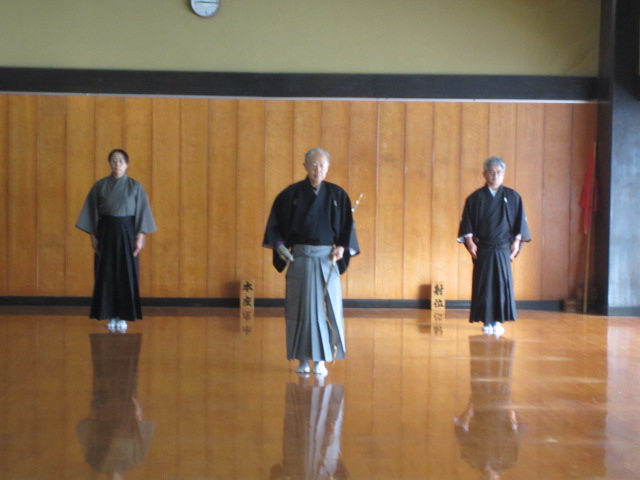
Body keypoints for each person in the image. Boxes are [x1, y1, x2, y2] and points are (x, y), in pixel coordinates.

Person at [263, 148, 360, 375]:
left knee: (328, 309)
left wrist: (342, 248)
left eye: (322, 165)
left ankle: (321, 360)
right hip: (300, 259)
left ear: (328, 168)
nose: (318, 170)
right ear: (305, 166)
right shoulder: (290, 195)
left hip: (327, 261)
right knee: (300, 310)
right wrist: (279, 246)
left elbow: (347, 230)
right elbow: (275, 227)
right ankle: (302, 360)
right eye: (314, 165)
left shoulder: (338, 195)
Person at [76, 149, 157, 333]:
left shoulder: (135, 186)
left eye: (121, 161)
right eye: (114, 161)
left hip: (128, 231)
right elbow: (92, 211)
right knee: (106, 272)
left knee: (126, 272)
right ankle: (110, 314)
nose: (117, 164)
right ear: (110, 163)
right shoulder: (100, 186)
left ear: (126, 164)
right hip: (105, 231)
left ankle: (124, 315)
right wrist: (93, 236)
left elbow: (142, 212)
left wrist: (140, 237)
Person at [457, 156, 531, 335]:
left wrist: (516, 242)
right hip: (483, 248)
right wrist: (470, 242)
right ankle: (486, 320)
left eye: (498, 172)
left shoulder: (513, 197)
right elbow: (467, 222)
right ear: (484, 174)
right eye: (491, 172)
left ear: (503, 174)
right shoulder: (475, 198)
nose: (495, 176)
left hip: (503, 248)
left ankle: (497, 320)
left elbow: (520, 222)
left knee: (501, 285)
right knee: (484, 285)